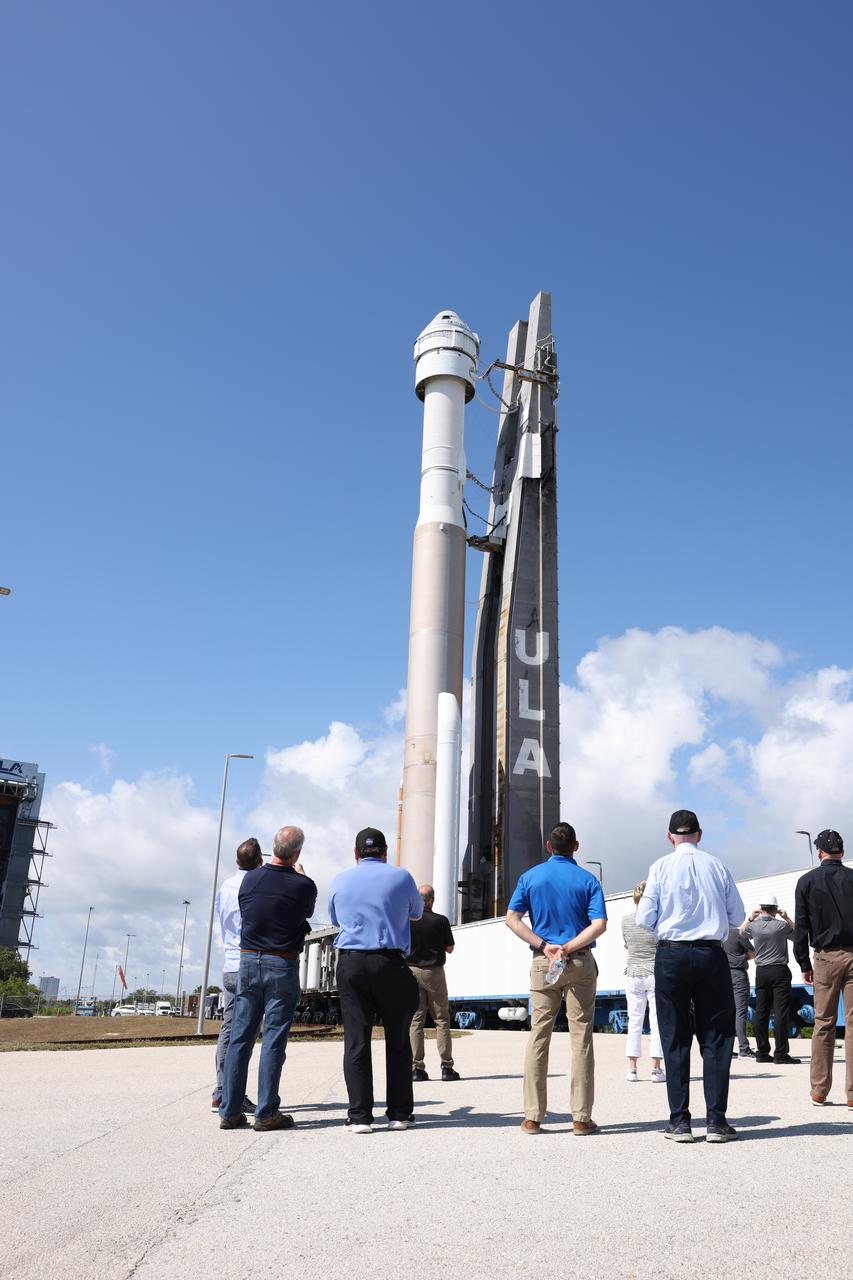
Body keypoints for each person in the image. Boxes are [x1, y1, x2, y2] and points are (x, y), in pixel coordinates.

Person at [636, 810, 745, 1144]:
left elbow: (644, 918)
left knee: (675, 1035)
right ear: (700, 834)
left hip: (671, 956)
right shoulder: (717, 865)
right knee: (716, 1036)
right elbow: (736, 917)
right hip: (711, 954)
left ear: (670, 837)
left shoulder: (659, 867)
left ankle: (680, 1122)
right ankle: (716, 1121)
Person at [506, 821, 607, 1137]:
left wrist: (544, 946)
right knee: (581, 1038)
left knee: (539, 1035)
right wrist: (569, 947)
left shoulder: (530, 878)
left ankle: (533, 1117)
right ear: (576, 846)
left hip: (543, 961)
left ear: (549, 846)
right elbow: (600, 924)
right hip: (578, 962)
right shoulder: (588, 880)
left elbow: (512, 919)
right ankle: (580, 1117)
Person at [219, 826, 316, 1132]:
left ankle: (230, 1109)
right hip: (281, 963)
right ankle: (266, 1112)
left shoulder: (249, 879)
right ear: (297, 854)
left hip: (247, 960)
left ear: (272, 848)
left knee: (240, 1036)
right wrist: (299, 875)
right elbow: (304, 914)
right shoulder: (304, 885)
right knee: (273, 1039)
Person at [328, 827, 422, 1135]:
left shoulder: (340, 880)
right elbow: (417, 913)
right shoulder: (402, 877)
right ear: (384, 852)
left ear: (356, 855)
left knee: (357, 1040)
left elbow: (334, 919)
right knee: (398, 1040)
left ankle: (359, 1117)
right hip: (391, 962)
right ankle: (399, 1113)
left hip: (352, 963)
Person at [793, 829, 853, 1108]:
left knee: (823, 1023)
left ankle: (819, 1090)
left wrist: (804, 963)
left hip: (826, 958)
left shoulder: (806, 881)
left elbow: (802, 927)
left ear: (819, 852)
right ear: (841, 852)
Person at [211, 837, 263, 1113]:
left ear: (236, 861)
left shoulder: (225, 886)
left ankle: (220, 1089)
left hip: (229, 964)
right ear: (260, 863)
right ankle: (233, 1092)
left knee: (228, 1030)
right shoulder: (255, 886)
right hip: (248, 962)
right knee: (245, 1034)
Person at [407, 884, 459, 1083]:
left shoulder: (408, 921)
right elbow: (450, 948)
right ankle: (447, 1067)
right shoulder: (441, 921)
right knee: (441, 1020)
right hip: (434, 972)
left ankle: (416, 1069)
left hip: (411, 972)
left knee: (416, 1021)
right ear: (432, 900)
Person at [741, 895, 800, 1065]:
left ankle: (762, 1052)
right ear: (775, 909)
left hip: (761, 972)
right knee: (780, 1011)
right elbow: (798, 935)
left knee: (761, 1011)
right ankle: (780, 1053)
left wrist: (751, 917)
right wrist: (787, 917)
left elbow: (741, 933)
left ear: (761, 908)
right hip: (779, 970)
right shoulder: (781, 926)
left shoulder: (754, 926)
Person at [621, 880, 665, 1083]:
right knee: (657, 1021)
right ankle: (656, 1069)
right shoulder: (657, 921)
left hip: (633, 972)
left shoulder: (626, 920)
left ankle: (632, 1069)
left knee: (634, 1020)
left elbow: (627, 945)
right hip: (654, 972)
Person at [722, 926, 756, 1059]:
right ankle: (744, 1048)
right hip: (738, 974)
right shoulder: (738, 933)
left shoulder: (718, 934)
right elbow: (753, 953)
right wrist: (740, 958)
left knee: (725, 1012)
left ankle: (726, 1049)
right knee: (740, 1012)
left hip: (721, 975)